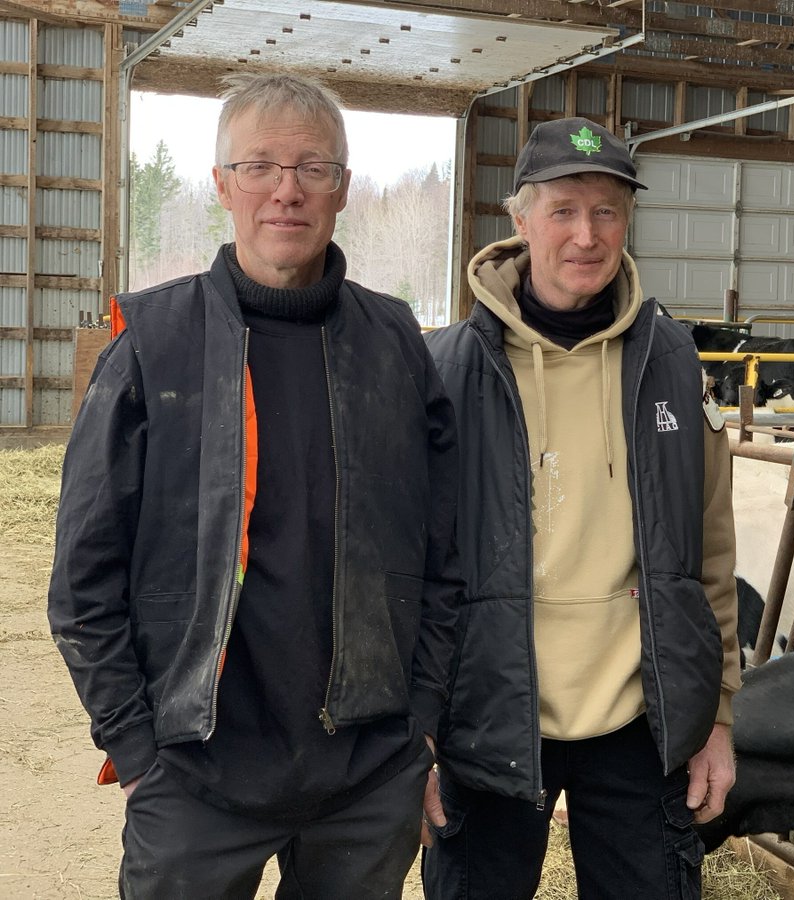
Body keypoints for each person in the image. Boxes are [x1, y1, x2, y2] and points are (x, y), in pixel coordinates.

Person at [47, 72, 461, 898]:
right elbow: (81, 583)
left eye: (313, 167)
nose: (286, 190)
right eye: (261, 165)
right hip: (196, 775)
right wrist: (136, 752)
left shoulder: (397, 345)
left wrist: (416, 732)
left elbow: (446, 559)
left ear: (343, 188)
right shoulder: (150, 343)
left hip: (365, 775)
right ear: (221, 185)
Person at [422, 116, 741, 899]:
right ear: (520, 218)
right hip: (490, 714)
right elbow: (412, 565)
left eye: (607, 211)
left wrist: (720, 715)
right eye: (563, 210)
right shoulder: (447, 372)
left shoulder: (670, 360)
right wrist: (416, 732)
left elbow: (711, 548)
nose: (586, 235)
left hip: (641, 721)